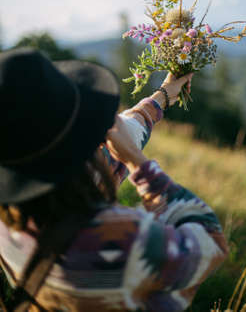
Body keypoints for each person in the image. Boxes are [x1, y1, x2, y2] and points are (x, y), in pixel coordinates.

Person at [0, 47, 228, 312]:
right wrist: (136, 161)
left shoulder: (10, 219)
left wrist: (163, 96)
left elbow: (121, 137)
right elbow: (210, 242)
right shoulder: (121, 241)